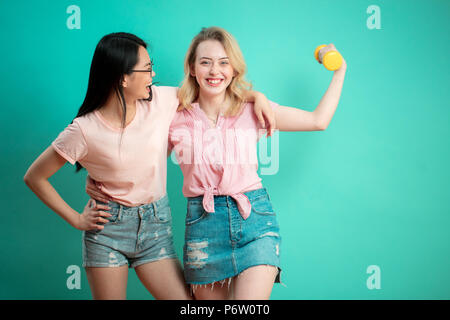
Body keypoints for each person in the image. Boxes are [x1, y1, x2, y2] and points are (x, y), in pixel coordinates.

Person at [24, 32, 274, 300]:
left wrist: (256, 96)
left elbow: (212, 88)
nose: (153, 74)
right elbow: (35, 177)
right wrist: (76, 219)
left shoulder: (161, 100)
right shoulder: (84, 130)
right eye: (146, 69)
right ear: (122, 77)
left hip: (155, 230)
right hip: (108, 231)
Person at [166, 27, 347, 300]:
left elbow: (317, 121)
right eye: (206, 62)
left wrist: (340, 70)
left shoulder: (253, 109)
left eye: (223, 62)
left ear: (234, 68)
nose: (215, 71)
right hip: (203, 226)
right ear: (192, 68)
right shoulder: (173, 113)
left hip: (254, 221)